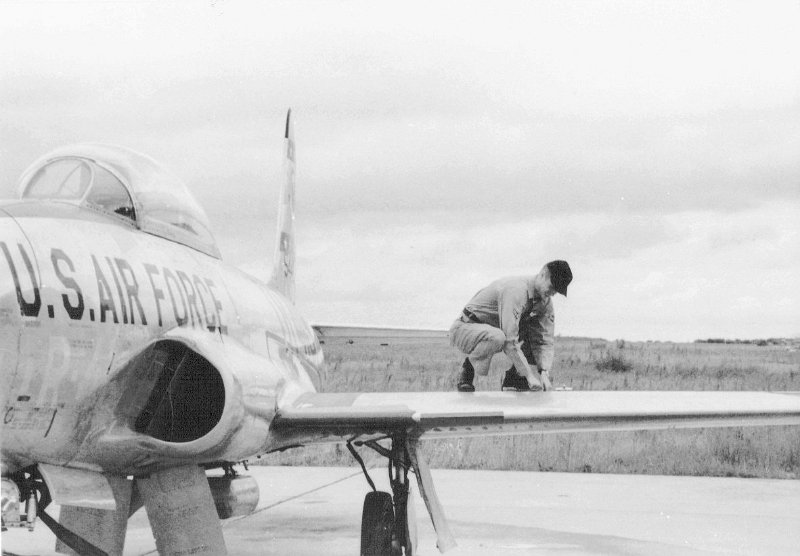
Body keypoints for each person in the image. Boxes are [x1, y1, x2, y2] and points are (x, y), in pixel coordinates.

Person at [449, 260, 572, 392]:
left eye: (557, 291)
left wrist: (544, 372)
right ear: (542, 275)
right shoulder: (516, 290)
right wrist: (529, 374)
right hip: (466, 328)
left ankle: (514, 379)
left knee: (532, 333)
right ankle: (467, 371)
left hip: (492, 329)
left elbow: (544, 339)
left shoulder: (544, 301)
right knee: (498, 337)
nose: (553, 293)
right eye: (552, 287)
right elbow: (509, 339)